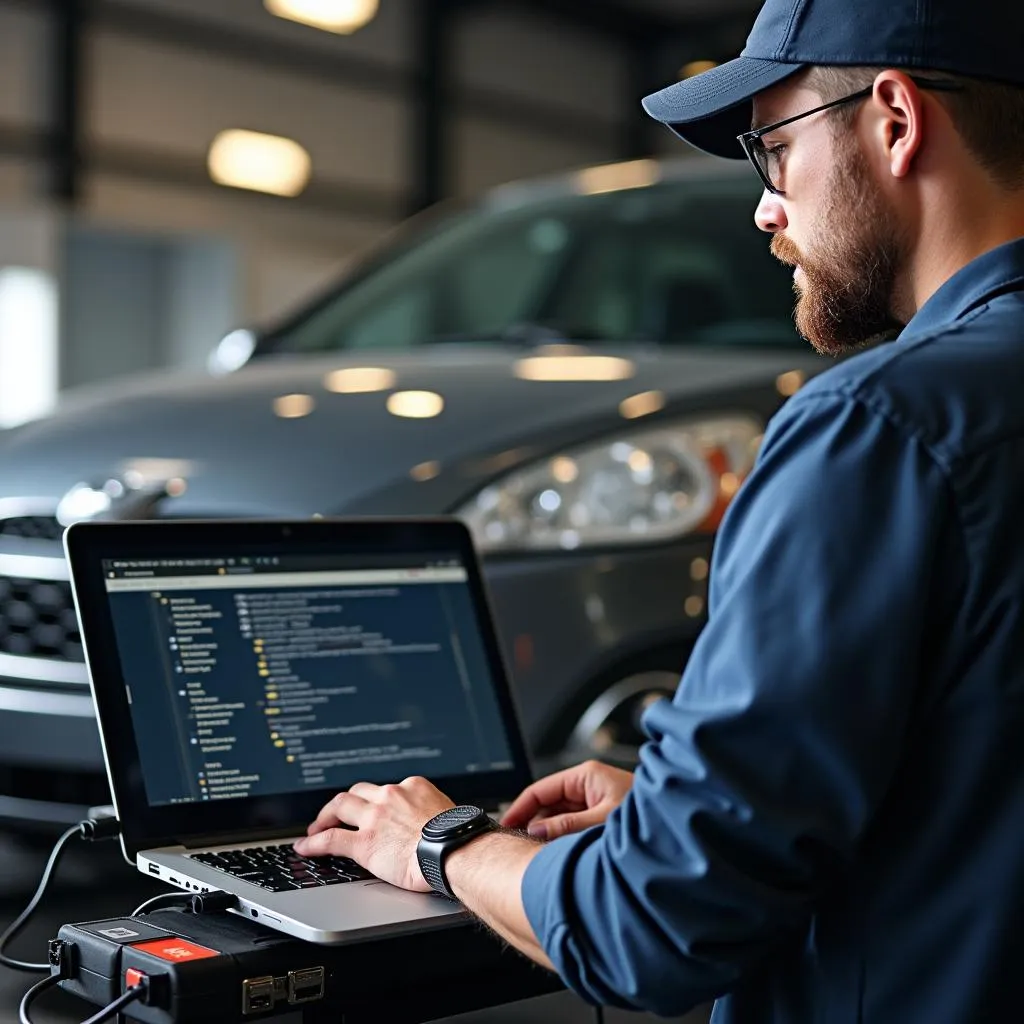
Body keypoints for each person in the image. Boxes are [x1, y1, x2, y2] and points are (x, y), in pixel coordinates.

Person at [291, 0, 1024, 1018]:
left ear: (894, 121)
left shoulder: (876, 426)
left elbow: (652, 922)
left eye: (773, 150)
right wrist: (696, 817)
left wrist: (442, 841)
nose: (767, 208)